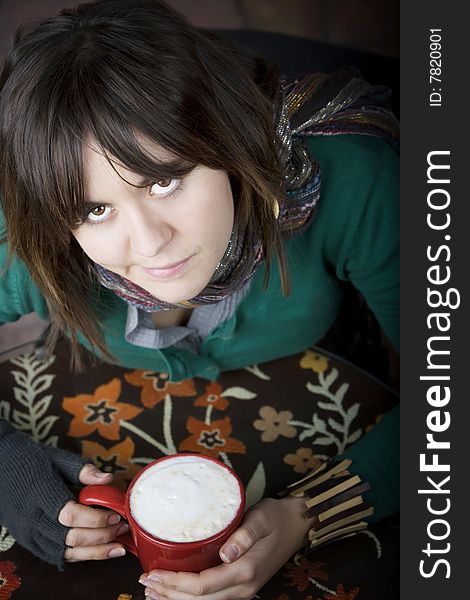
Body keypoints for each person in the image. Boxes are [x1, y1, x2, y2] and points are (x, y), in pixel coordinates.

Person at [0, 0, 399, 597]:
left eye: (166, 179)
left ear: (228, 141)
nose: (151, 243)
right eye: (94, 209)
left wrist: (308, 513)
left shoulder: (350, 181)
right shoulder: (22, 227)